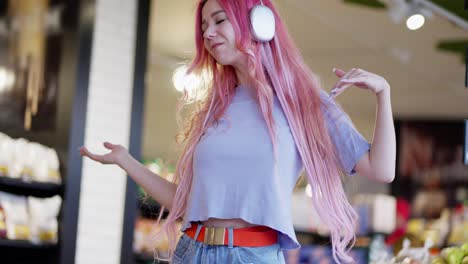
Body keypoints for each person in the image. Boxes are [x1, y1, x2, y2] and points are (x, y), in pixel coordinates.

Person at [79, 0, 396, 263]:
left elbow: (381, 169)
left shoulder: (304, 100)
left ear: (260, 22)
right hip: (192, 250)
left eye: (219, 21)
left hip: (252, 255)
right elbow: (186, 202)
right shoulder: (215, 107)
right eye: (204, 27)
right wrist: (126, 160)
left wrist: (384, 94)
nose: (209, 34)